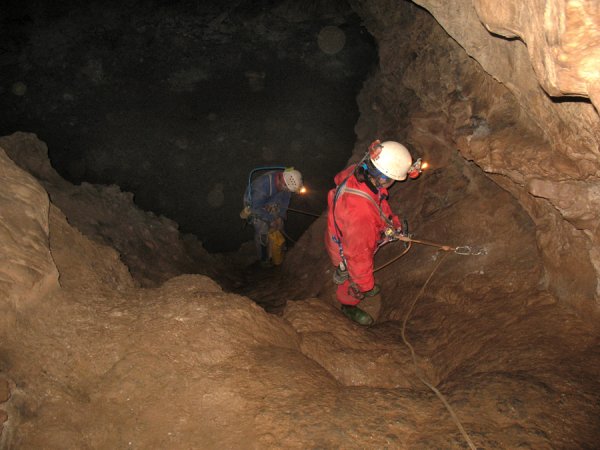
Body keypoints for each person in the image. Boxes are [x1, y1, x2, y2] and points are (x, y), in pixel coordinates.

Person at [324, 140, 422, 325]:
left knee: (357, 265)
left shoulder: (360, 174)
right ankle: (348, 304)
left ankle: (359, 287)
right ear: (383, 178)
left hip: (345, 230)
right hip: (347, 246)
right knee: (353, 276)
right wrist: (365, 285)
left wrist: (392, 225)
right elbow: (358, 258)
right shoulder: (361, 215)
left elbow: (377, 202)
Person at [242, 167, 303, 267]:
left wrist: (280, 215)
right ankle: (263, 259)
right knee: (263, 233)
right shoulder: (261, 188)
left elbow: (286, 198)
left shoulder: (285, 179)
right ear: (283, 184)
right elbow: (255, 208)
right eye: (287, 189)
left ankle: (277, 250)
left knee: (279, 226)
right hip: (256, 206)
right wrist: (271, 220)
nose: (288, 191)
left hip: (271, 201)